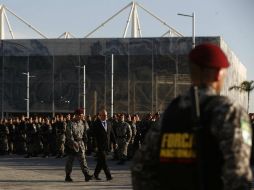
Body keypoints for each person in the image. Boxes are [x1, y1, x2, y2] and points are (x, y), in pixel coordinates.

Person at [131, 43, 253, 190]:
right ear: (219, 73)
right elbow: (237, 174)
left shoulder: (171, 111)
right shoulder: (228, 111)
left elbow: (140, 168)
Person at [65, 109, 93, 182]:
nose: (81, 117)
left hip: (80, 143)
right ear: (76, 115)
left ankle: (86, 175)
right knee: (70, 161)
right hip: (72, 144)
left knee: (83, 159)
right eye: (80, 115)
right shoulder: (70, 123)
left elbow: (86, 133)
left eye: (82, 115)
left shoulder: (83, 122)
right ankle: (68, 176)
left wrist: (85, 143)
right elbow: (69, 135)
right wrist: (74, 142)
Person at [92, 109, 117, 180]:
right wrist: (95, 146)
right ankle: (108, 176)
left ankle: (95, 175)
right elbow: (94, 136)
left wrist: (115, 142)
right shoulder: (96, 124)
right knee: (104, 160)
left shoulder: (109, 123)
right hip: (100, 146)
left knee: (100, 161)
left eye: (106, 115)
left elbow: (111, 134)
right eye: (103, 115)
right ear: (99, 116)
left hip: (107, 145)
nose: (105, 116)